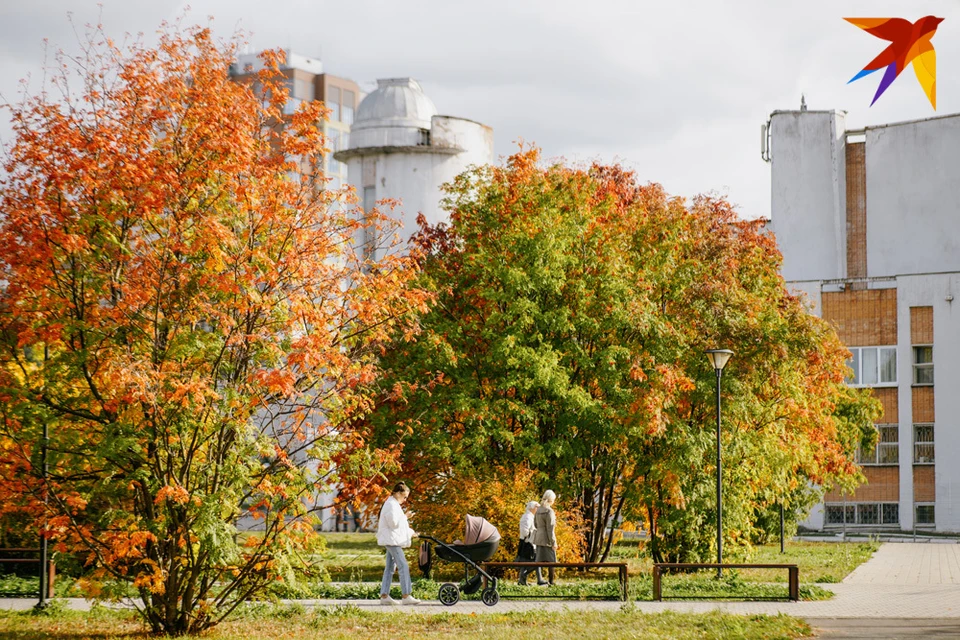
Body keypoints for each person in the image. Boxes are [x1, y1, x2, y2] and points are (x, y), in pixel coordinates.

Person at [377, 481, 420, 605]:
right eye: (405, 496)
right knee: (403, 565)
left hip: (391, 538)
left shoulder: (393, 504)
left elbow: (398, 525)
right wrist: (406, 516)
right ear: (398, 493)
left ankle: (384, 596)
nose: (405, 500)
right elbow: (394, 524)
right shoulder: (391, 505)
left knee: (390, 568)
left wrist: (411, 532)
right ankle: (406, 595)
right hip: (392, 540)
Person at [532, 489, 558, 586]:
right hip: (547, 538)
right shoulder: (549, 511)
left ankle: (539, 579)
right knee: (552, 560)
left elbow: (535, 523)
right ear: (551, 500)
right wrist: (553, 542)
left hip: (538, 537)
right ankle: (551, 581)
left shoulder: (538, 510)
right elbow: (550, 529)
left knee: (538, 560)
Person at [516, 500, 539, 585]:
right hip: (527, 543)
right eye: (537, 507)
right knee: (533, 561)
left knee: (526, 562)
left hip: (529, 542)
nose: (538, 509)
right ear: (532, 508)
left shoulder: (530, 516)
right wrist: (532, 534)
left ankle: (522, 580)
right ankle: (522, 579)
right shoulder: (527, 517)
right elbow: (525, 531)